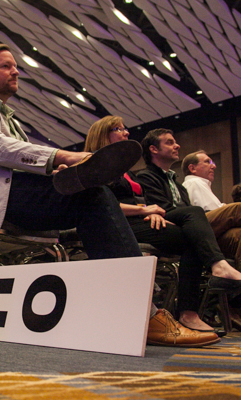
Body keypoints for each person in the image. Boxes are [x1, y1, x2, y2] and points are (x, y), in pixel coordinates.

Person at [0, 44, 210, 347]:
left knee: (92, 195)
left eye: (15, 66)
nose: (16, 71)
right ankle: (141, 313)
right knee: (92, 197)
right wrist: (63, 156)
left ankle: (132, 311)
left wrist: (55, 172)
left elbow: (14, 162)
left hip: (9, 198)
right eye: (6, 66)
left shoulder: (9, 118)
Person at [85, 116, 236, 342]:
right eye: (118, 129)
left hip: (138, 220)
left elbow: (142, 202)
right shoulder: (95, 163)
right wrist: (144, 210)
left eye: (125, 128)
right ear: (102, 134)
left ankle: (190, 311)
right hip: (116, 223)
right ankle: (195, 303)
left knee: (193, 235)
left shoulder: (125, 169)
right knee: (194, 222)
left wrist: (150, 212)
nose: (126, 133)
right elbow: (101, 203)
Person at [136, 129, 241, 292]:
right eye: (169, 142)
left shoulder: (179, 186)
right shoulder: (145, 177)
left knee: (238, 235)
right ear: (154, 149)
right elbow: (160, 209)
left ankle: (235, 297)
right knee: (236, 208)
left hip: (193, 225)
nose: (177, 145)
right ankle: (219, 268)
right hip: (174, 226)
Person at [181, 150, 241, 268]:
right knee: (238, 207)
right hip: (200, 227)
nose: (214, 166)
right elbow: (211, 211)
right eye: (207, 162)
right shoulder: (194, 182)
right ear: (192, 168)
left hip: (209, 229)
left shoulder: (200, 184)